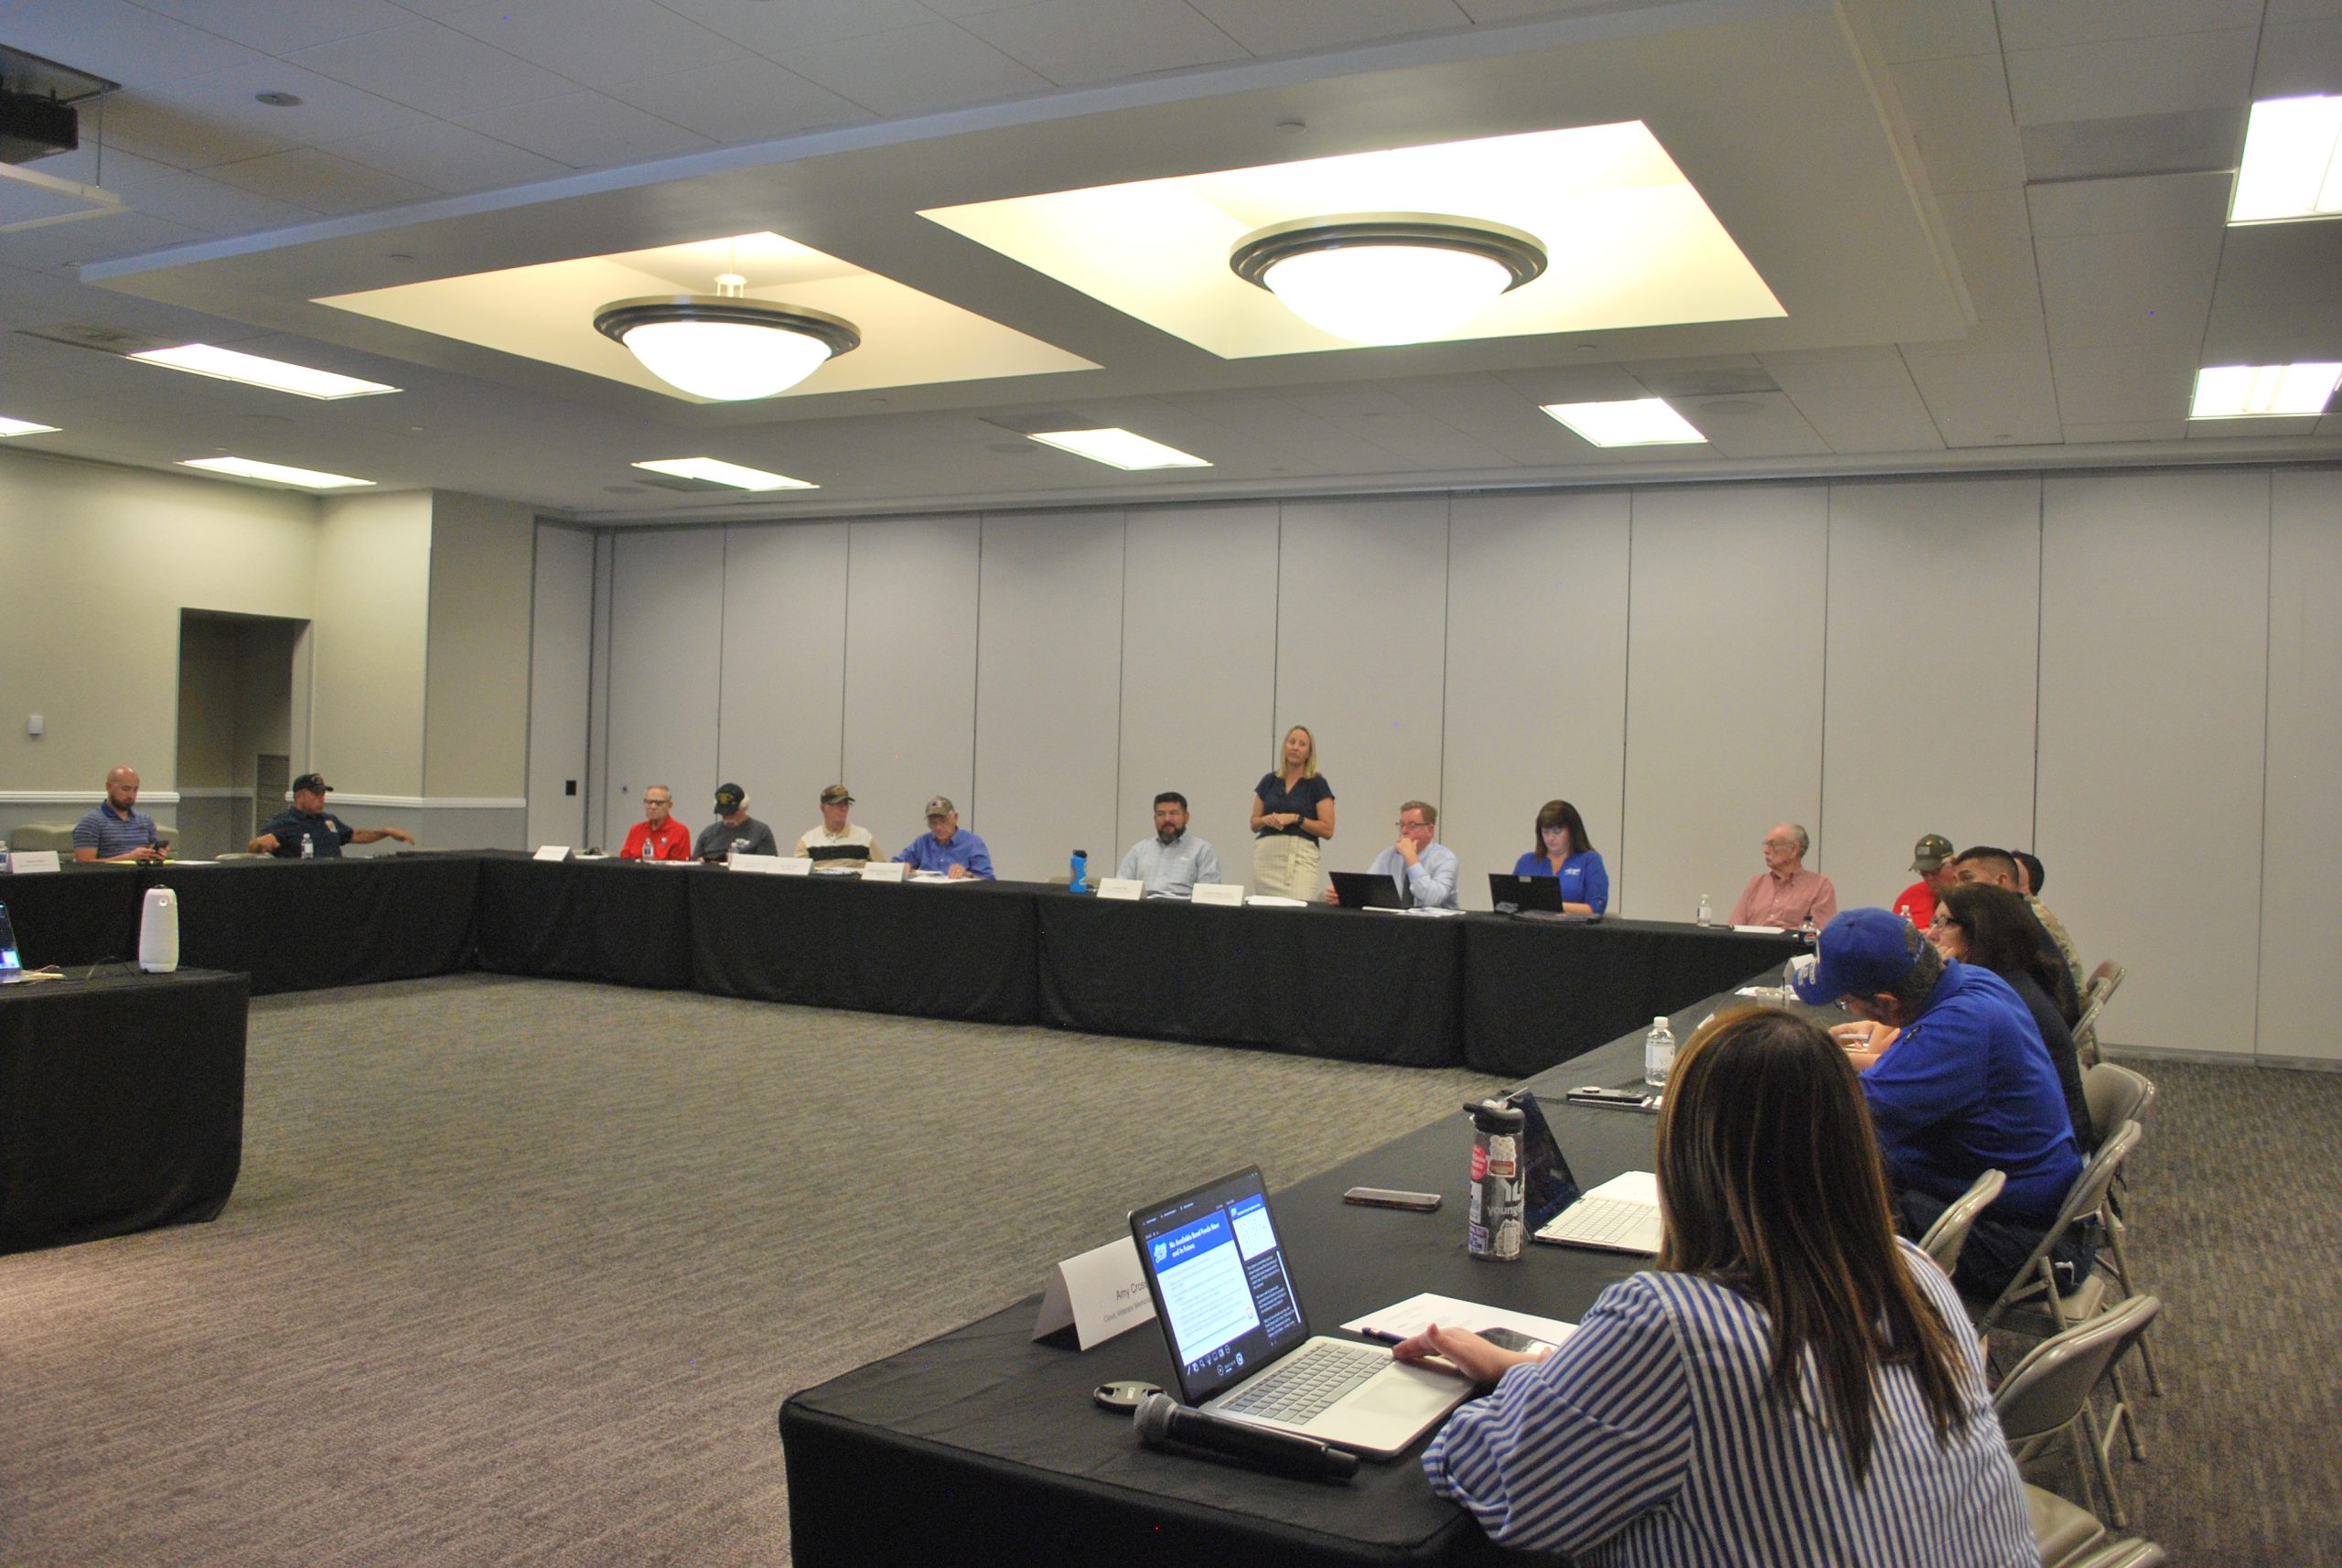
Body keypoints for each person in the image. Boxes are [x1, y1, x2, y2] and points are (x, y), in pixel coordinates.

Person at [1400, 1009, 2034, 1565]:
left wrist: (1496, 1401)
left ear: (1687, 1154)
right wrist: (1536, 1371)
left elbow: (1510, 1486)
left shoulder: (1671, 1326)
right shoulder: (1914, 1272)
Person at [1795, 908, 2087, 1299]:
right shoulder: (1974, 982)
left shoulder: (1958, 1029)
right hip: (2009, 1205)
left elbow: (1841, 1121)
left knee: (1802, 1212)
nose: (1850, 1010)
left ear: (1887, 1003)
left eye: (1846, 1001)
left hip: (2021, 1241)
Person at [1931, 883, 2094, 1151]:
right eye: (1934, 921)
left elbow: (1920, 1069)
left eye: (1945, 923)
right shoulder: (2009, 981)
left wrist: (1933, 982)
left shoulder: (1992, 1001)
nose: (1931, 934)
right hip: (2039, 1138)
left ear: (1981, 932)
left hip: (2038, 1151)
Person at [1954, 846, 2085, 998]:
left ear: (2001, 881)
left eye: (1967, 878)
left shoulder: (2007, 922)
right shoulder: (2017, 911)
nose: (1957, 887)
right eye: (1955, 880)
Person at [1250, 725, 1335, 899]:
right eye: (1291, 742)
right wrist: (1266, 820)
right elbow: (1254, 823)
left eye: (1302, 744)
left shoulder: (1317, 783)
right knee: (1268, 914)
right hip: (1267, 857)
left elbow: (1328, 830)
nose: (1295, 747)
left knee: (1298, 910)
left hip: (1299, 858)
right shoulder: (1269, 781)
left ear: (1309, 753)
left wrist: (1296, 819)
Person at [1327, 799, 1456, 908]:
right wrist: (1345, 896)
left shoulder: (1445, 859)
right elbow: (1368, 891)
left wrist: (1412, 859)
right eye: (1402, 825)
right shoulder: (1388, 856)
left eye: (1412, 825)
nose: (1404, 831)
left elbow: (1431, 900)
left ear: (1430, 830)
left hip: (1436, 929)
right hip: (1396, 925)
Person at [250, 774, 416, 858]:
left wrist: (385, 832)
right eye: (316, 794)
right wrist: (259, 844)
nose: (321, 798)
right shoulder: (284, 822)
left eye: (323, 793)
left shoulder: (328, 820)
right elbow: (253, 848)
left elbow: (355, 835)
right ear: (299, 797)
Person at [1726, 822, 1838, 929]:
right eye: (1766, 844)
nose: (1765, 850)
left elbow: (1820, 932)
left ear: (1794, 849)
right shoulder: (1757, 883)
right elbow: (1734, 927)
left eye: (1772, 845)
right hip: (1752, 947)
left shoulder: (1820, 886)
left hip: (1792, 947)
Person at [1509, 799, 1607, 913]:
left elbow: (1596, 908)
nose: (1550, 838)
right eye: (1546, 832)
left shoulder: (1590, 861)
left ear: (1572, 830)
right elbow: (1511, 902)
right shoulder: (1526, 862)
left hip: (1575, 929)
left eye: (1557, 832)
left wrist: (1553, 905)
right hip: (1530, 928)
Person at [1116, 791, 1220, 898]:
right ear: (1154, 818)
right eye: (1160, 814)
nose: (1167, 819)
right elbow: (1120, 888)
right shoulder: (1139, 850)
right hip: (1143, 912)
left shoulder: (1203, 850)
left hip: (1184, 913)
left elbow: (1209, 896)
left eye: (1173, 813)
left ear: (1186, 817)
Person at [72, 767, 167, 863]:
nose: (131, 796)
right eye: (126, 789)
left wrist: (157, 856)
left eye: (135, 790)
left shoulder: (145, 821)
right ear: (109, 787)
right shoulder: (91, 822)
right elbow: (84, 864)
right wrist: (128, 858)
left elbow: (150, 855)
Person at [894, 797, 993, 879]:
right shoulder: (923, 842)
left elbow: (989, 881)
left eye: (943, 821)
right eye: (933, 822)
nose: (938, 827)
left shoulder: (972, 843)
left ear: (955, 818)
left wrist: (967, 875)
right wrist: (901, 868)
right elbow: (893, 866)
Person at [793, 783, 881, 866]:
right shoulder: (807, 842)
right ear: (823, 808)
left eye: (846, 804)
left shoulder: (864, 838)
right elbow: (798, 876)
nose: (844, 809)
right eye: (838, 804)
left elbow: (882, 871)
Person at [696, 782, 779, 862]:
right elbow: (694, 863)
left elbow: (768, 865)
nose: (727, 817)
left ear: (744, 807)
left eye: (731, 813)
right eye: (723, 813)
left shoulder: (761, 832)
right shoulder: (708, 834)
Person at [1892, 832, 1956, 929]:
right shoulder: (1909, 897)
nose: (1929, 878)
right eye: (1924, 872)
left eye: (1935, 870)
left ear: (1953, 863)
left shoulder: (1973, 896)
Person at [618, 784, 692, 861]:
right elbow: (624, 860)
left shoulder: (680, 832)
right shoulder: (636, 830)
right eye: (648, 802)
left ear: (670, 806)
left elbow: (679, 868)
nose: (653, 807)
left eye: (659, 803)